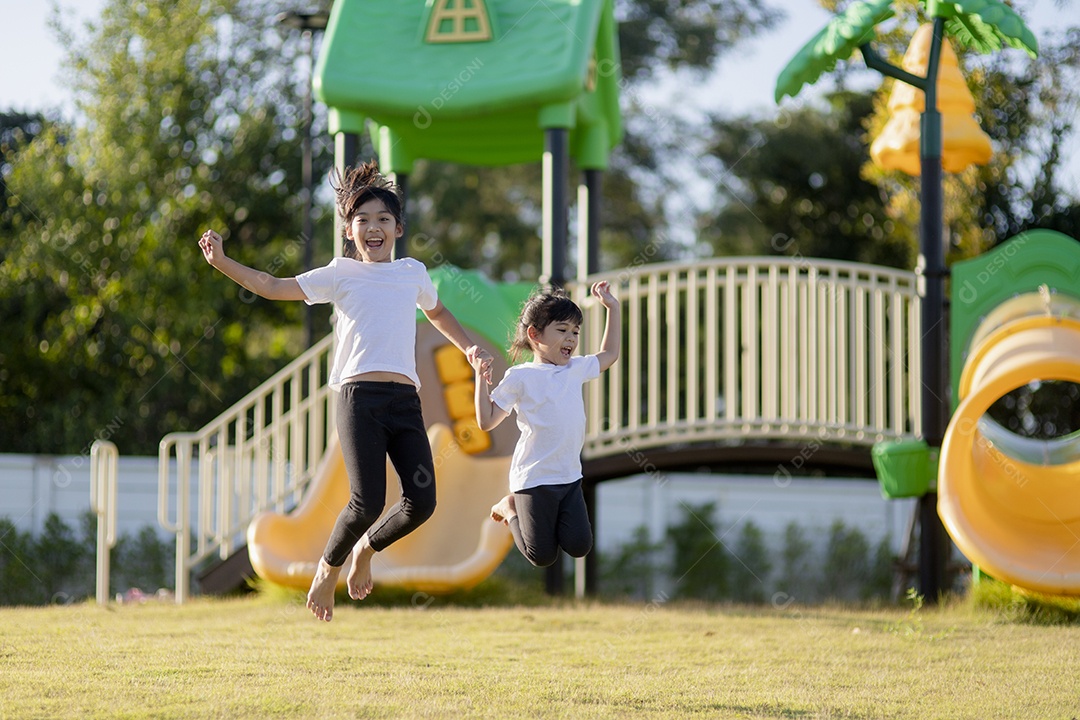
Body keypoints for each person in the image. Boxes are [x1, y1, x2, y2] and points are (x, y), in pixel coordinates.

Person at [198, 161, 490, 621]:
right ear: (349, 231)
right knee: (367, 500)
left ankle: (366, 551)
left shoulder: (412, 271)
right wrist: (222, 262)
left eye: (383, 220)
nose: (373, 228)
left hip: (405, 401)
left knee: (423, 501)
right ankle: (327, 569)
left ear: (398, 228)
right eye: (363, 220)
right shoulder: (340, 274)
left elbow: (438, 315)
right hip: (359, 400)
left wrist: (471, 350)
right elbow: (272, 286)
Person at [471, 282, 620, 568]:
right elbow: (487, 421)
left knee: (579, 545)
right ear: (534, 335)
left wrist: (613, 308)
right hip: (533, 478)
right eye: (562, 330)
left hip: (569, 476)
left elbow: (609, 354)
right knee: (541, 555)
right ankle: (509, 507)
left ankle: (519, 510)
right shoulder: (520, 377)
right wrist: (480, 377)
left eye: (576, 332)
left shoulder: (575, 369)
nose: (571, 338)